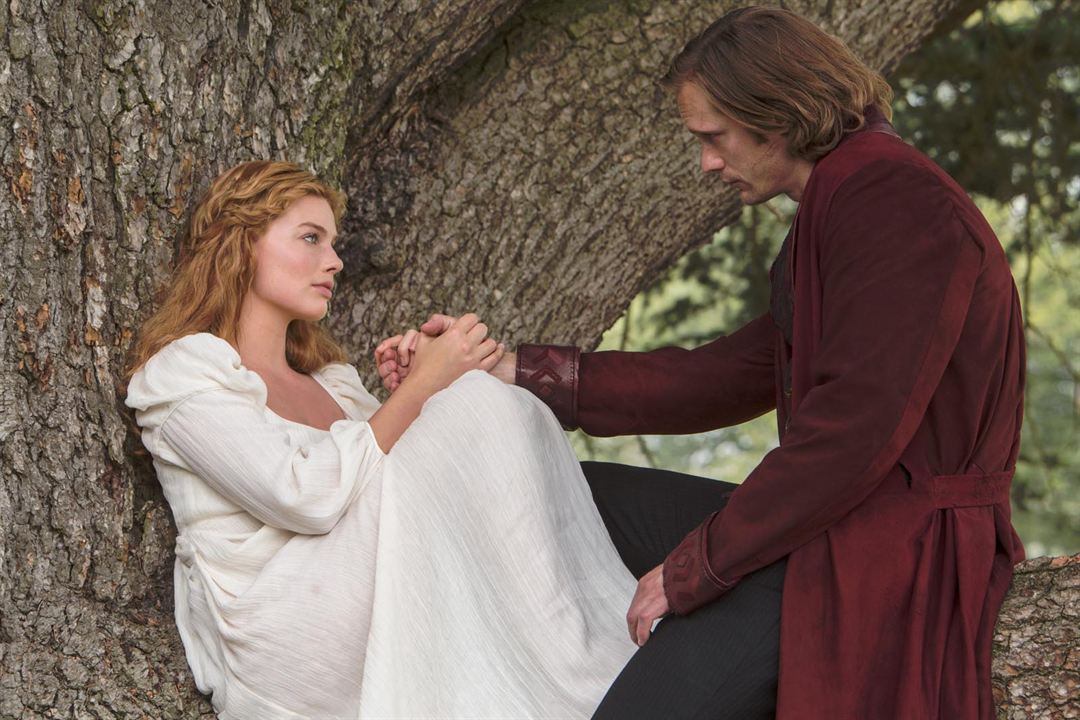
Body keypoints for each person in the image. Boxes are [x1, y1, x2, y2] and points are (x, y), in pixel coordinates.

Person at [377, 7, 1026, 719]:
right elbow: (724, 376)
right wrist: (507, 369)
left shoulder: (894, 200)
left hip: (885, 548)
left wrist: (695, 568)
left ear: (776, 114)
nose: (707, 164)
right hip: (828, 519)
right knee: (544, 486)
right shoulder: (844, 197)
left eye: (714, 138)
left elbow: (851, 433)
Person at [123, 160, 641, 719]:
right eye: (310, 238)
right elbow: (302, 496)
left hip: (366, 600)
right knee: (472, 402)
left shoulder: (333, 383)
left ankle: (573, 658)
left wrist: (427, 394)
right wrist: (422, 391)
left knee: (484, 401)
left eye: (333, 243)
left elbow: (415, 490)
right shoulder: (185, 370)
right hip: (282, 631)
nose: (335, 260)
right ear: (242, 245)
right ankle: (588, 672)